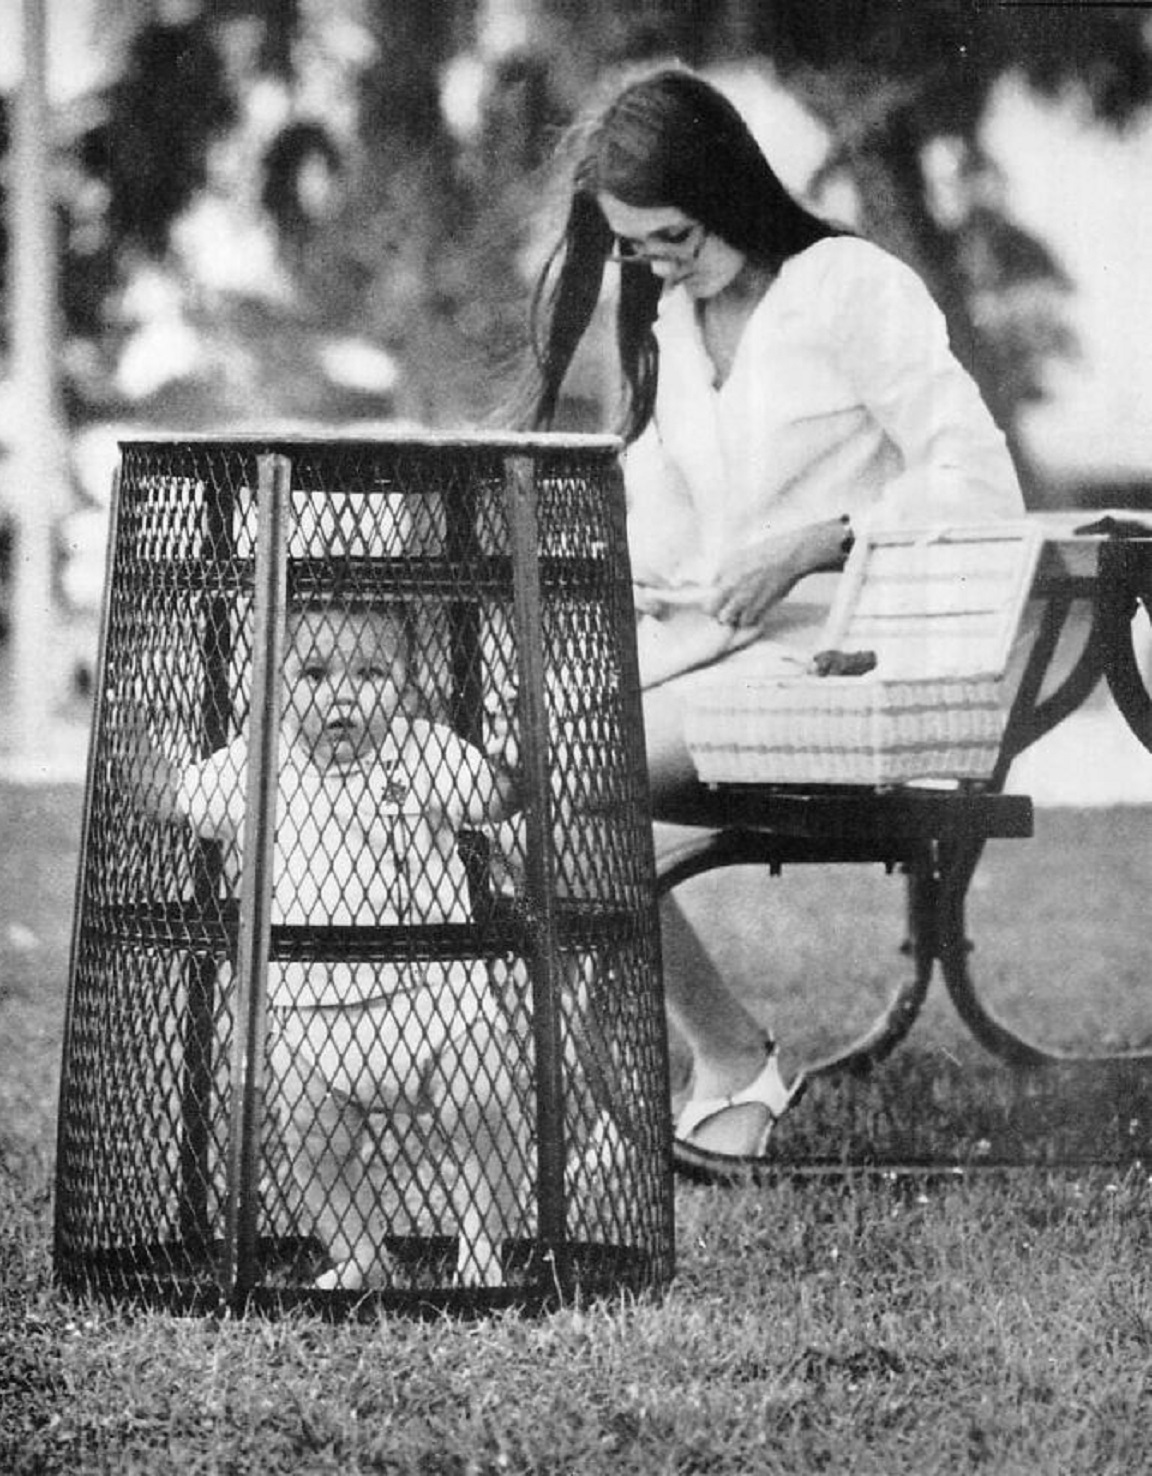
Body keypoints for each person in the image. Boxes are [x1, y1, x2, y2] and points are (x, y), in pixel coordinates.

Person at [523, 65, 1025, 1179]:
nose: (658, 261)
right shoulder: (675, 326)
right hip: (724, 660)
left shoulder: (847, 287)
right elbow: (679, 528)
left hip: (855, 669)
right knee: (511, 783)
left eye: (674, 234)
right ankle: (667, 1075)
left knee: (564, 789)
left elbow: (982, 483)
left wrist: (818, 538)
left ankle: (728, 1060)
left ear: (731, 187)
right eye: (636, 247)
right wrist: (646, 574)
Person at [129, 593, 526, 1287]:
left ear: (406, 686)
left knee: (484, 1101)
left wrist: (514, 754)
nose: (341, 695)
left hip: (434, 1003)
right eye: (313, 675)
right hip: (311, 1019)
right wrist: (128, 730)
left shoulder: (425, 749)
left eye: (370, 676)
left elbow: (494, 796)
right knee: (315, 1141)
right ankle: (360, 1256)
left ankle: (482, 1254)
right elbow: (172, 798)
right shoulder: (259, 763)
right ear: (275, 685)